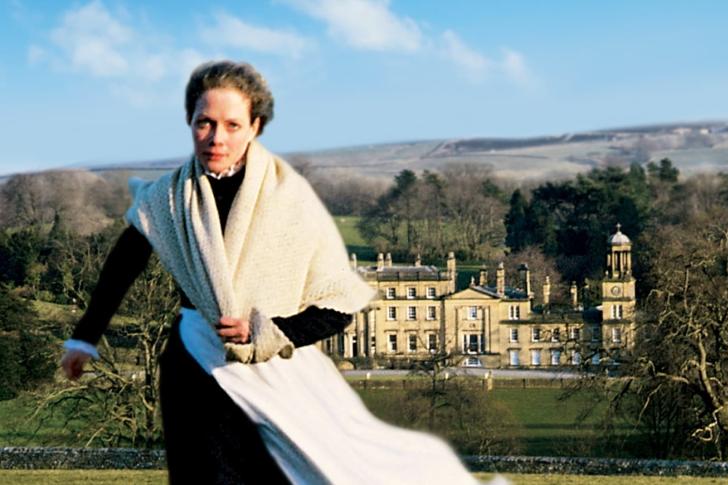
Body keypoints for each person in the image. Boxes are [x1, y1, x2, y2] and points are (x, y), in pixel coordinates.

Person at [60, 60, 498, 485]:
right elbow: (123, 267)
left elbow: (337, 305)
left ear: (255, 126)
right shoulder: (168, 198)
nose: (216, 137)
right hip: (193, 370)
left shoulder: (289, 200)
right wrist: (85, 337)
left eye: (232, 125)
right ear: (190, 123)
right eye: (204, 122)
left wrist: (269, 333)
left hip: (278, 376)